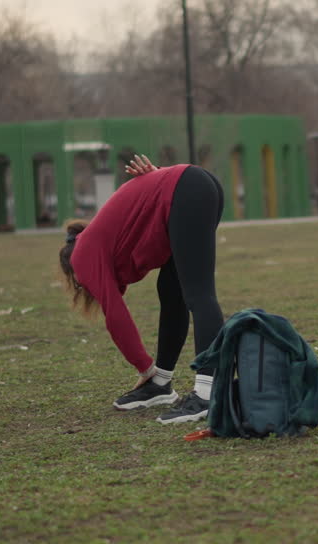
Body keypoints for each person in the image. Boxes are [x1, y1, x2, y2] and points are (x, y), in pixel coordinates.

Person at [59, 154, 225, 424]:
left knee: (199, 294)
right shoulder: (106, 237)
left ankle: (207, 393)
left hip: (187, 190)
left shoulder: (83, 255)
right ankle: (160, 384)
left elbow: (115, 315)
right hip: (195, 186)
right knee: (172, 293)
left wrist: (143, 367)